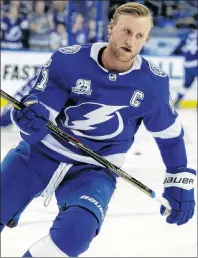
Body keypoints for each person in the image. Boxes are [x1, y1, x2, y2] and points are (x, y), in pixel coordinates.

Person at [1, 2, 196, 257]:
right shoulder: (69, 60)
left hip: (95, 169)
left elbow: (169, 136)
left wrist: (178, 175)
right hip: (40, 154)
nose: (131, 41)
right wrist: (31, 120)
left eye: (139, 36)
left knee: (75, 235)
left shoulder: (153, 83)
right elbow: (40, 113)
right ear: (111, 29)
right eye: (126, 31)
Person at [174, 28, 198, 108]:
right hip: (196, 63)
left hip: (187, 64)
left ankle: (177, 101)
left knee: (186, 85)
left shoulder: (187, 34)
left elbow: (178, 49)